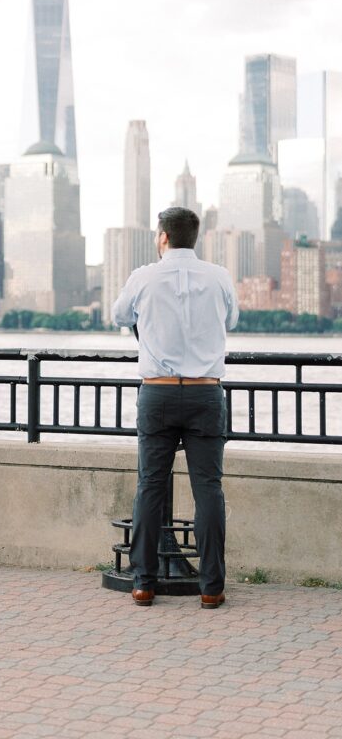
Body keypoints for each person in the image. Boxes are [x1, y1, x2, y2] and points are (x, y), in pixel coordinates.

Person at [112, 206, 238, 609]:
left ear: (163, 237)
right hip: (205, 393)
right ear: (194, 237)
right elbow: (231, 320)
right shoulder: (218, 276)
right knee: (208, 490)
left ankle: (144, 584)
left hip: (158, 393)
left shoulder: (143, 276)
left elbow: (118, 315)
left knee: (150, 485)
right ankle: (212, 587)